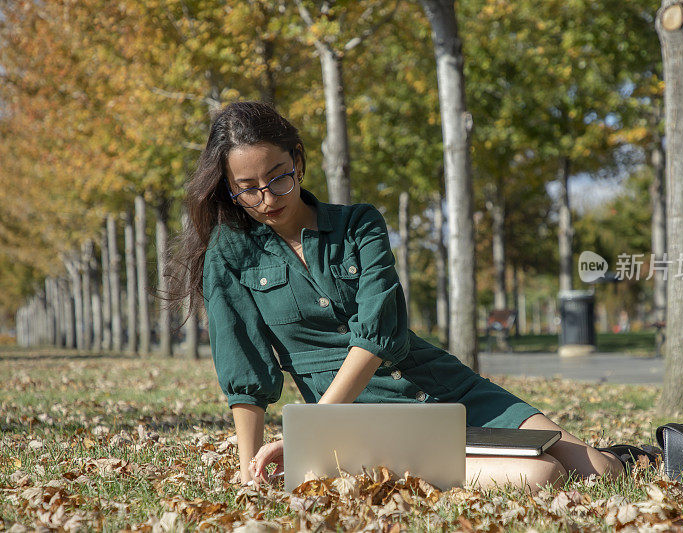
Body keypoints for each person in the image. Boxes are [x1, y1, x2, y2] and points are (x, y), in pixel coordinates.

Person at [168, 101, 638, 495]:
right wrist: (253, 474)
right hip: (365, 421)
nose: (268, 197)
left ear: (299, 159)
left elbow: (380, 330)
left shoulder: (359, 223)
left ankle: (632, 455)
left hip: (443, 386)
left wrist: (311, 427)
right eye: (248, 189)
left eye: (279, 177)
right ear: (230, 191)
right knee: (541, 476)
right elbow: (244, 371)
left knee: (603, 472)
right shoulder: (229, 254)